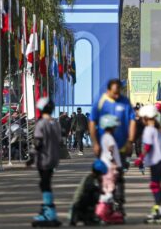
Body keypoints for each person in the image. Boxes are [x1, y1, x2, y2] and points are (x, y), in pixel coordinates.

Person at [89, 79, 137, 214]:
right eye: (115, 92)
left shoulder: (125, 102)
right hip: (104, 147)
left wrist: (130, 141)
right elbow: (92, 122)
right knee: (104, 177)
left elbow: (132, 121)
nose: (117, 95)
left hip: (121, 147)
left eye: (119, 92)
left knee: (119, 176)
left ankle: (119, 205)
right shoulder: (100, 102)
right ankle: (105, 205)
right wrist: (95, 143)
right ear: (108, 90)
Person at [133, 104, 161, 224]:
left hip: (157, 161)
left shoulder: (148, 130)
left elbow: (148, 146)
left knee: (154, 185)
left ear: (145, 117)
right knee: (157, 185)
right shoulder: (156, 128)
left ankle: (160, 210)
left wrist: (140, 158)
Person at [31, 97, 62, 227]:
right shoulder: (55, 123)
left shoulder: (41, 123)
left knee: (44, 184)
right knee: (46, 183)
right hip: (54, 158)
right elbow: (60, 140)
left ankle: (48, 212)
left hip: (43, 158)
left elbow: (38, 141)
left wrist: (31, 157)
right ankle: (49, 210)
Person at [97, 114, 125, 224]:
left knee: (108, 189)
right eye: (114, 127)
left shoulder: (104, 136)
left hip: (106, 167)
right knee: (110, 190)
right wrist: (114, 164)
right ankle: (105, 213)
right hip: (110, 167)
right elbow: (110, 151)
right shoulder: (109, 137)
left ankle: (106, 212)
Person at [68, 159, 106, 226]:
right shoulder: (89, 178)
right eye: (101, 174)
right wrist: (97, 189)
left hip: (84, 202)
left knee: (95, 195)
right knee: (93, 195)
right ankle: (86, 216)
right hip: (79, 203)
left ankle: (89, 215)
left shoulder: (96, 179)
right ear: (98, 173)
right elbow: (88, 189)